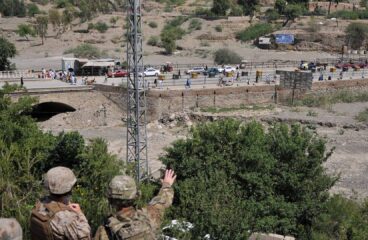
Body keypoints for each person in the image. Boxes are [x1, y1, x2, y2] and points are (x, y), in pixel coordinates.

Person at [94, 169, 176, 240]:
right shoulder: (148, 216)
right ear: (136, 197)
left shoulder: (105, 230)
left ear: (110, 199)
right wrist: (166, 184)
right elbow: (162, 201)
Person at [30, 166, 91, 240]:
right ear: (70, 188)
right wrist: (80, 214)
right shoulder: (67, 218)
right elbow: (86, 237)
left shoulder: (39, 204)